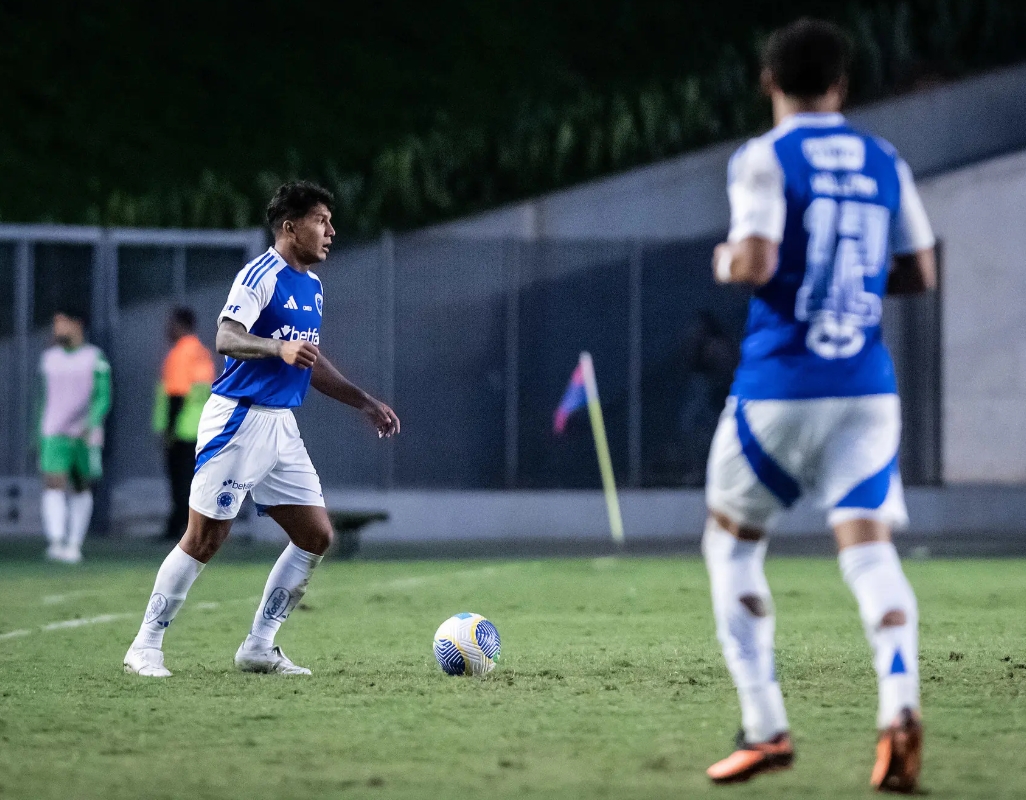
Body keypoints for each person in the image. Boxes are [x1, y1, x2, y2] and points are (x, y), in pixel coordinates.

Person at [701, 18, 936, 792]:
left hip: (781, 387)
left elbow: (758, 259)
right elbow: (919, 272)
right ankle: (898, 705)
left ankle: (766, 726)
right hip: (867, 389)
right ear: (842, 85)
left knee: (732, 547)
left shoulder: (765, 158)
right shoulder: (885, 158)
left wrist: (729, 260)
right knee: (869, 553)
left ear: (770, 82)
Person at [124, 181, 400, 678]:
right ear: (290, 227)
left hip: (280, 426)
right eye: (321, 220)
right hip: (237, 418)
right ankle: (145, 646)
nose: (331, 231)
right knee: (205, 538)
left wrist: (364, 401)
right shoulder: (260, 274)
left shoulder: (312, 287)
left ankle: (258, 646)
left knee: (316, 535)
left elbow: (309, 363)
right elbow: (226, 337)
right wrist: (277, 349)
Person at [38, 310, 112, 563]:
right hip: (53, 432)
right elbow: (40, 397)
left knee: (81, 486)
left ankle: (74, 544)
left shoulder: (94, 358)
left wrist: (91, 423)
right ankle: (56, 541)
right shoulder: (49, 359)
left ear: (76, 324)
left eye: (61, 322)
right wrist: (36, 432)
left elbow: (103, 396)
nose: (57, 328)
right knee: (53, 482)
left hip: (84, 433)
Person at [153, 307, 215, 541]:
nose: (167, 329)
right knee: (193, 481)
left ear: (180, 325)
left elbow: (177, 394)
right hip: (201, 426)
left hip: (182, 429)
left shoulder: (179, 354)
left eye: (170, 324)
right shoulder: (202, 353)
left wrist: (168, 430)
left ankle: (178, 528)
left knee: (180, 481)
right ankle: (189, 526)